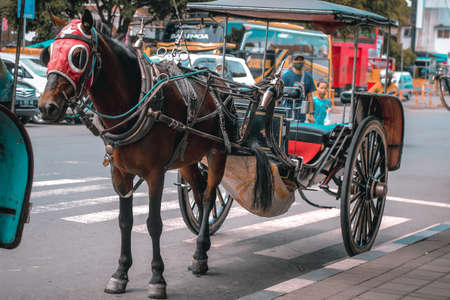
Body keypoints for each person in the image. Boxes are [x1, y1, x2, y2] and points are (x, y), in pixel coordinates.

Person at [281, 53, 316, 122]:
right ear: (292, 62)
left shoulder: (308, 77)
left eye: (301, 60)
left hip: (301, 111)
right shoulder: (285, 76)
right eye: (297, 60)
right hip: (287, 110)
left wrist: (311, 114)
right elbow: (279, 95)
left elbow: (309, 96)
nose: (299, 62)